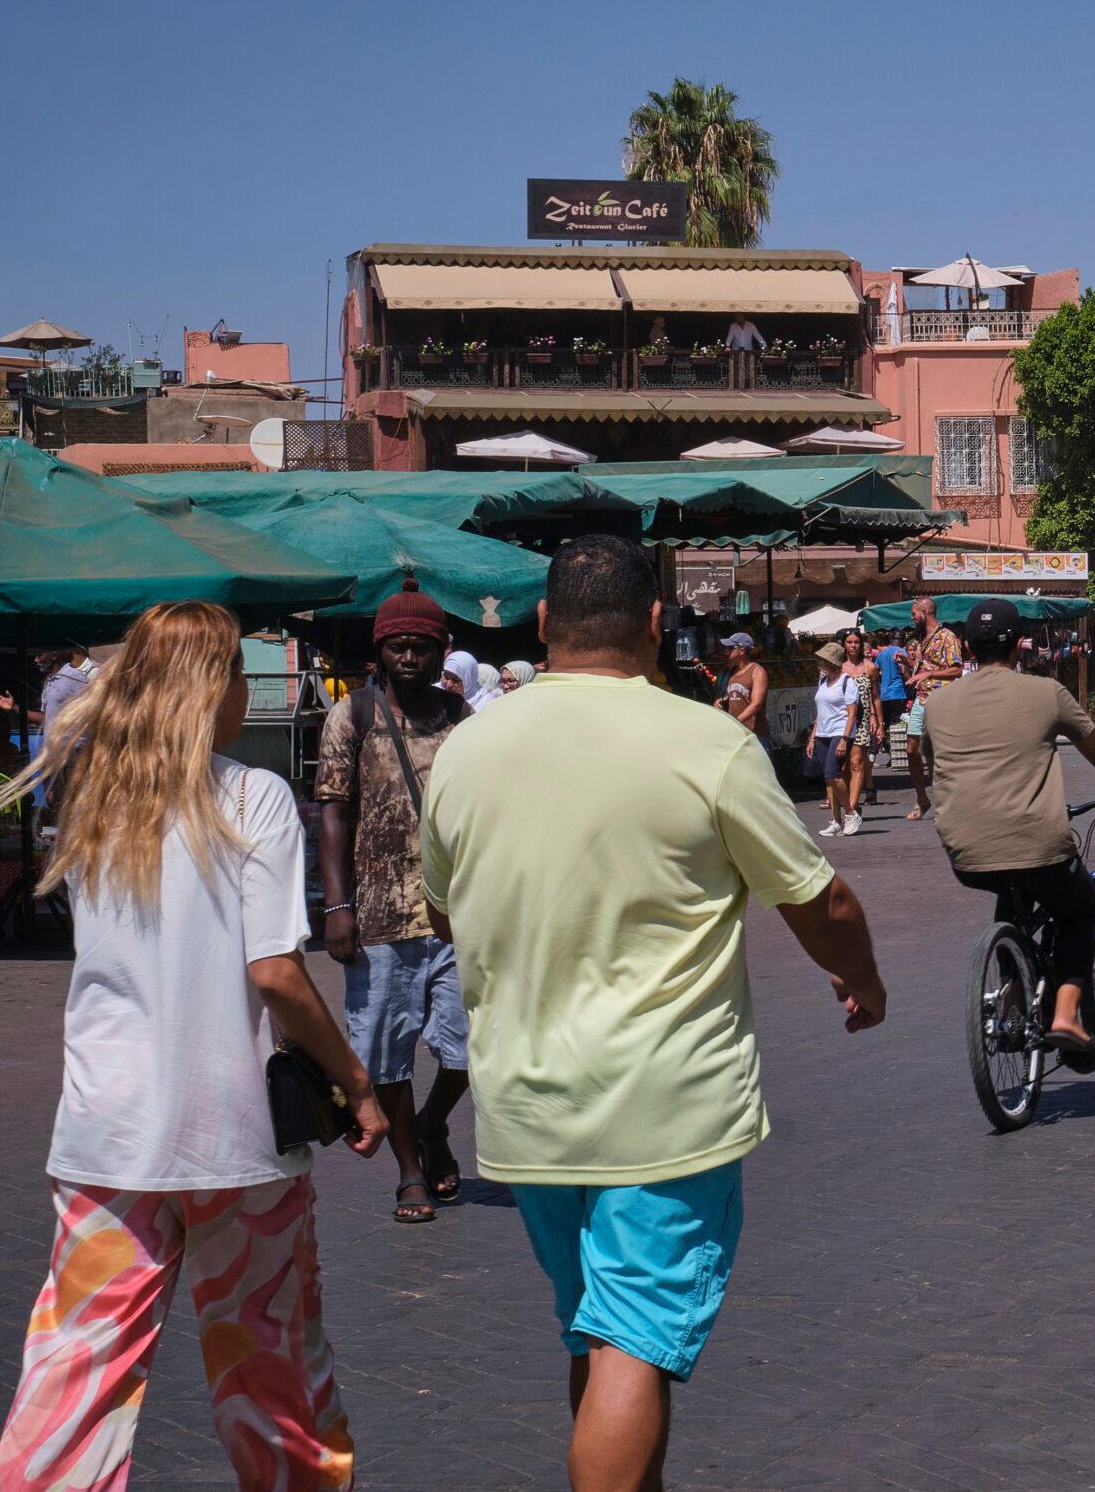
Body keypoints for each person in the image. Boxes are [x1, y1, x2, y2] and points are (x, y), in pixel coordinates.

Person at [419, 536, 884, 1492]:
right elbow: (820, 900)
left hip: (527, 1109)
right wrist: (861, 980)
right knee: (631, 1343)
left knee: (597, 1329)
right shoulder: (706, 743)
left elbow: (440, 905)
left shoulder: (468, 746)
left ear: (545, 623)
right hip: (664, 1112)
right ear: (655, 623)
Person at [0, 602, 385, 1492]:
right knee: (271, 1376)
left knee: (74, 1379)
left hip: (107, 1138)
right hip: (234, 1140)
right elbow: (275, 972)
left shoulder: (89, 797)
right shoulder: (253, 795)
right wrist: (357, 1083)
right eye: (239, 673)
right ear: (213, 688)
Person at [925, 599, 1095, 1056]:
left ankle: (1013, 998)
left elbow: (933, 763)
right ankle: (1067, 1015)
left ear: (968, 648)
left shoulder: (936, 703)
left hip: (966, 853)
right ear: (1019, 646)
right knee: (1079, 911)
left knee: (1011, 892)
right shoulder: (1046, 693)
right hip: (1038, 844)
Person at [317, 588, 473, 1223]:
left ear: (442, 653)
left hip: (456, 913)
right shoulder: (350, 716)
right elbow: (333, 811)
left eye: (422, 646)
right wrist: (336, 906)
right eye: (397, 645)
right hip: (379, 915)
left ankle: (433, 1125)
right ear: (379, 651)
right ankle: (410, 1168)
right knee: (386, 1051)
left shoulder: (462, 718)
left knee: (474, 1051)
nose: (409, 655)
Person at [904, 597, 964, 821]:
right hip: (921, 698)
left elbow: (957, 670)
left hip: (940, 699)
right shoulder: (922, 639)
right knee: (911, 749)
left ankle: (944, 801)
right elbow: (924, 668)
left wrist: (928, 674)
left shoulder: (947, 637)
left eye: (914, 613)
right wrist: (912, 669)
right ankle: (922, 798)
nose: (912, 618)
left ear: (924, 611)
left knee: (936, 753)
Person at [807, 641, 861, 834]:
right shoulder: (823, 682)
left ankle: (851, 813)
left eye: (822, 660)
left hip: (840, 732)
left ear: (831, 662)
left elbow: (852, 713)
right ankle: (835, 820)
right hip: (823, 732)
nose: (819, 664)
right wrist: (812, 737)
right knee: (828, 779)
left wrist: (845, 739)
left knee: (833, 773)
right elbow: (820, 713)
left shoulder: (847, 682)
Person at [837, 628, 882, 835]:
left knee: (857, 763)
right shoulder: (838, 668)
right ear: (843, 644)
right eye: (849, 642)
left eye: (856, 642)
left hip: (862, 721)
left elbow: (875, 697)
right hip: (841, 722)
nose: (853, 646)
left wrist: (879, 721)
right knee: (843, 768)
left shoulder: (870, 668)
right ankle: (850, 805)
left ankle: (851, 810)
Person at [870, 630, 914, 797]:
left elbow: (877, 671)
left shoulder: (882, 654)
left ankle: (873, 755)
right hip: (899, 693)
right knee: (901, 724)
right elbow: (905, 672)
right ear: (902, 640)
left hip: (884, 695)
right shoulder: (901, 652)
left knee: (884, 726)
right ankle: (901, 755)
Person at [716, 631, 770, 738]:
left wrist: (736, 722)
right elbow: (738, 695)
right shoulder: (732, 672)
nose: (728, 652)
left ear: (741, 651)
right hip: (736, 734)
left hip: (755, 736)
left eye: (731, 648)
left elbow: (756, 704)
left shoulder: (757, 671)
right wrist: (722, 701)